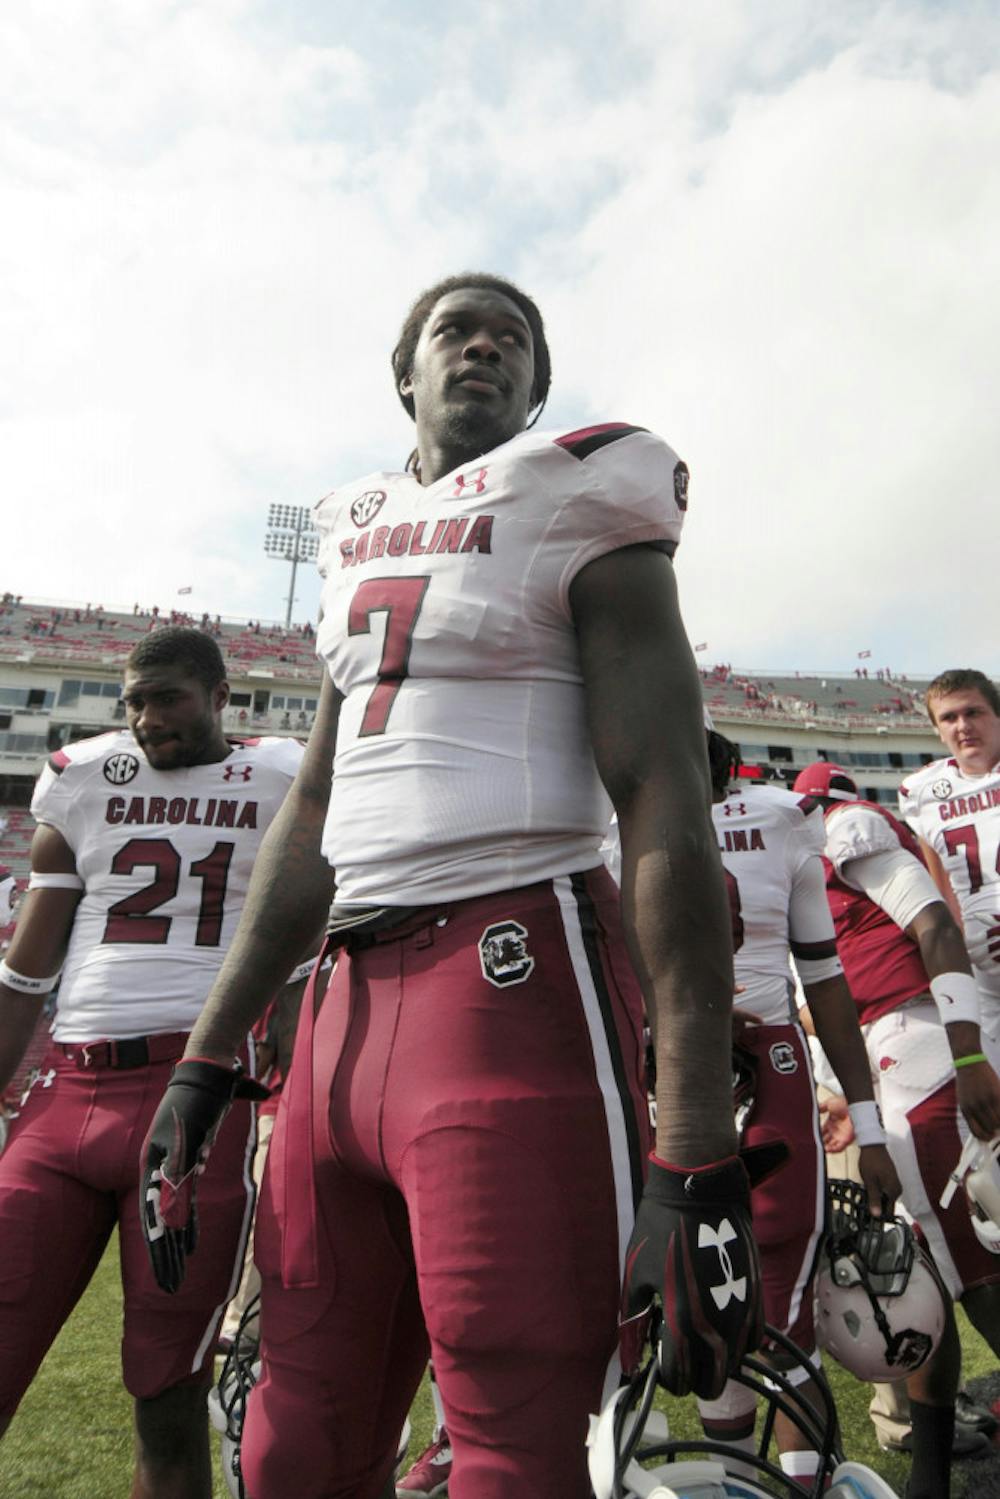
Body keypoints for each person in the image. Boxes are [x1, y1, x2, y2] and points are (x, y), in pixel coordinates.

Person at [140, 272, 762, 1499]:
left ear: (535, 385)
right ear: (404, 373)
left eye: (512, 339)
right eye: (454, 331)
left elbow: (662, 803)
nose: (484, 347)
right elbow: (317, 808)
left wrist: (692, 1137)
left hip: (511, 972)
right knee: (294, 1438)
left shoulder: (579, 484)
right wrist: (210, 1053)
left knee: (514, 1439)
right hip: (339, 1012)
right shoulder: (351, 521)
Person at [0, 627, 305, 1499]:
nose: (145, 717)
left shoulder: (283, 774)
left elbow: (329, 904)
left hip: (194, 1096)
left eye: (166, 696)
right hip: (64, 1092)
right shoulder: (83, 775)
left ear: (220, 696)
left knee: (166, 1391)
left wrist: (289, 993)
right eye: (133, 698)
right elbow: (26, 968)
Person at [792, 758, 1000, 1496]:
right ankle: (930, 1472)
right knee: (930, 1284)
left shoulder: (850, 828)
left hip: (925, 1054)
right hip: (896, 1061)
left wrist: (970, 1051)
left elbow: (935, 926)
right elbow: (839, 987)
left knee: (974, 1272)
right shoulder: (825, 860)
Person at [700, 733, 899, 1490]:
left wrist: (868, 1120)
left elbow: (824, 977)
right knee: (715, 1299)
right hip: (686, 1066)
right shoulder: (622, 827)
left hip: (752, 1063)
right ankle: (734, 1483)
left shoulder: (782, 819)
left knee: (775, 1302)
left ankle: (792, 1483)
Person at [900, 669, 1000, 1035]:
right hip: (985, 982)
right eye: (949, 718)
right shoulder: (921, 792)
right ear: (937, 730)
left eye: (974, 712)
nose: (963, 726)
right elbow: (940, 888)